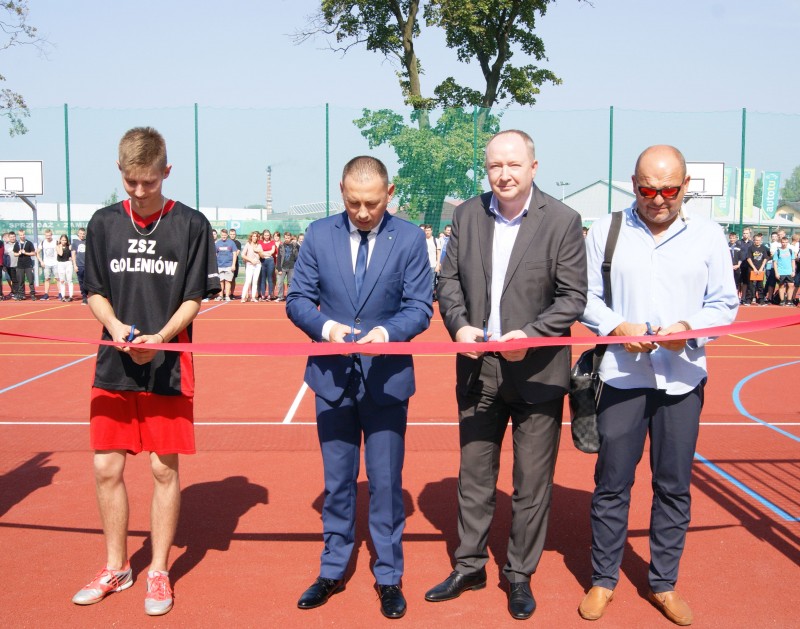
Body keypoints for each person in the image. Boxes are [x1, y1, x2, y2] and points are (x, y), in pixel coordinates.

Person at [429, 129, 587, 620]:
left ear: (533, 168)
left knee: (531, 482)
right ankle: (469, 565)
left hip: (537, 371)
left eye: (513, 164)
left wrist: (532, 335)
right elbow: (448, 281)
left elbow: (572, 297)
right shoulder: (466, 215)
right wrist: (459, 325)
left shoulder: (563, 220)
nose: (504, 174)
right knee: (475, 475)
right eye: (495, 165)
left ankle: (519, 574)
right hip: (478, 368)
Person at [578, 145, 738, 626]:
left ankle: (664, 582)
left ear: (686, 186)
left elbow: (724, 303)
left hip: (682, 379)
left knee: (673, 485)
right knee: (612, 483)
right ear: (634, 184)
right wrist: (616, 326)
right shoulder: (606, 230)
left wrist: (688, 328)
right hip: (622, 377)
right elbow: (585, 296)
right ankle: (603, 579)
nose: (659, 199)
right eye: (648, 190)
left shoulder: (708, 235)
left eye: (669, 190)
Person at [71, 126, 220, 616]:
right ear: (120, 171)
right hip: (112, 363)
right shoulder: (103, 223)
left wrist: (161, 338)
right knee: (105, 467)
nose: (139, 190)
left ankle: (158, 570)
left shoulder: (191, 224)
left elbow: (194, 298)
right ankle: (116, 566)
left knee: (162, 468)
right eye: (130, 181)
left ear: (166, 172)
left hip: (168, 366)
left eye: (149, 182)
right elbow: (95, 290)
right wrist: (116, 326)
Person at [286, 156, 432, 619]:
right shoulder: (318, 235)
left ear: (390, 194)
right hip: (332, 380)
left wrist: (388, 333)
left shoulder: (409, 238)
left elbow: (420, 306)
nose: (363, 212)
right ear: (341, 193)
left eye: (372, 203)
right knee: (337, 483)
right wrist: (326, 328)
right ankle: (332, 569)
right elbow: (297, 298)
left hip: (386, 380)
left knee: (386, 484)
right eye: (354, 203)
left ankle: (388, 576)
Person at [745, 233, 769, 305]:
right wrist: (754, 268)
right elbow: (749, 259)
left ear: (761, 240)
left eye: (758, 240)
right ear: (753, 240)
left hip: (760, 269)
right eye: (756, 240)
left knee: (760, 285)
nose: (757, 241)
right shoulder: (750, 248)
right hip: (752, 269)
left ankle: (761, 299)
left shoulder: (763, 248)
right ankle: (749, 299)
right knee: (750, 285)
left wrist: (761, 268)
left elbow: (765, 258)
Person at [13, 228, 37, 300]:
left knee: (31, 280)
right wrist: (19, 253)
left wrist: (25, 253)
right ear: (19, 235)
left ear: (25, 235)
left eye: (23, 235)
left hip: (28, 264)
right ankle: (21, 295)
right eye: (21, 235)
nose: (22, 236)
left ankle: (32, 294)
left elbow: (33, 253)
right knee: (20, 281)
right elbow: (14, 254)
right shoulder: (17, 244)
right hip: (20, 265)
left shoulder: (29, 243)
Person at [239, 231, 263, 303]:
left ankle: (253, 297)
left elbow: (262, 256)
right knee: (248, 281)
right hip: (249, 265)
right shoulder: (248, 244)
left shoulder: (259, 245)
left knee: (255, 281)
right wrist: (251, 260)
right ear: (251, 237)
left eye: (256, 236)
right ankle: (243, 297)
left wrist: (259, 252)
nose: (255, 238)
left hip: (257, 265)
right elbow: (243, 254)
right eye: (253, 236)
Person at [275, 231, 298, 302]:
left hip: (292, 267)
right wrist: (279, 268)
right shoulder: (281, 245)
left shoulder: (295, 245)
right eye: (286, 238)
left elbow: (298, 254)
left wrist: (296, 242)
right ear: (284, 238)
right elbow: (279, 257)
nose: (287, 239)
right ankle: (280, 296)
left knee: (290, 283)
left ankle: (289, 297)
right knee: (280, 282)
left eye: (288, 238)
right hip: (283, 267)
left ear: (290, 237)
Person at [214, 229, 236, 301]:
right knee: (221, 281)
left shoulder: (231, 243)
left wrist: (233, 264)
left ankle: (227, 296)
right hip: (220, 265)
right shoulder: (217, 243)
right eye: (222, 235)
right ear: (220, 235)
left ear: (227, 235)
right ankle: (220, 296)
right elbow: (215, 254)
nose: (223, 236)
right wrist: (215, 264)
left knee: (228, 281)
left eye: (225, 235)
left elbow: (234, 254)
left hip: (229, 265)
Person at [773, 236, 795, 306]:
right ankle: (782, 300)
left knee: (791, 285)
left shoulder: (790, 251)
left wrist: (793, 270)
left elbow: (793, 261)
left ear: (787, 243)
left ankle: (789, 300)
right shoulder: (778, 251)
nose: (784, 244)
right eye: (783, 242)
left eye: (786, 242)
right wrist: (776, 272)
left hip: (789, 271)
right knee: (781, 286)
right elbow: (775, 262)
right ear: (781, 242)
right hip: (781, 272)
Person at [72, 227, 88, 304]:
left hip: (87, 265)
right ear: (78, 234)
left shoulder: (87, 242)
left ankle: (89, 295)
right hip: (79, 265)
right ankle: (84, 297)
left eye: (83, 234)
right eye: (81, 233)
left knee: (87, 281)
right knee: (81, 282)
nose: (82, 235)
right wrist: (75, 265)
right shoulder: (75, 243)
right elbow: (73, 254)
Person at [257, 229, 275, 301]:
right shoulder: (260, 242)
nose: (266, 237)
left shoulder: (272, 242)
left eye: (268, 235)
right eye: (265, 235)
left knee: (270, 278)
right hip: (262, 261)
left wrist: (264, 253)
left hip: (270, 261)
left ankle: (270, 295)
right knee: (263, 278)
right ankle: (263, 295)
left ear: (269, 235)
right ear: (263, 236)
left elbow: (272, 251)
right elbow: (260, 251)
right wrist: (266, 253)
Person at [56, 234, 74, 301]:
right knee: (62, 281)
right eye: (62, 240)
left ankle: (71, 296)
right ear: (60, 240)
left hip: (68, 263)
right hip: (61, 264)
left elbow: (72, 254)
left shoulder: (69, 246)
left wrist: (71, 258)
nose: (64, 241)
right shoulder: (57, 246)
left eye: (65, 240)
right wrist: (60, 246)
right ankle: (63, 296)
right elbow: (60, 254)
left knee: (69, 280)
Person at [229, 228, 242, 298]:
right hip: (226, 263)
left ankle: (231, 294)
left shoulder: (238, 243)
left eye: (233, 234)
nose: (232, 235)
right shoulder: (226, 242)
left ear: (235, 235)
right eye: (231, 234)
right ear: (229, 234)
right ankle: (225, 294)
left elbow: (237, 253)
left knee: (233, 278)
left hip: (234, 263)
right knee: (225, 279)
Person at [5, 231, 18, 299]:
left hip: (18, 265)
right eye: (11, 237)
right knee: (13, 280)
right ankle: (15, 293)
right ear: (9, 238)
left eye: (13, 237)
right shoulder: (6, 246)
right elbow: (4, 256)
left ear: (15, 237)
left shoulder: (18, 244)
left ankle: (20, 293)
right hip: (9, 266)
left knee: (19, 280)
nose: (12, 238)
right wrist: (4, 266)